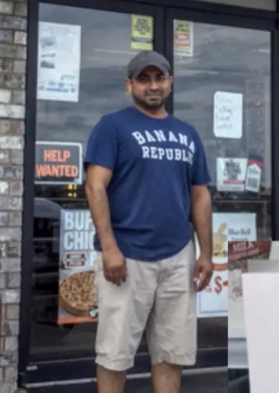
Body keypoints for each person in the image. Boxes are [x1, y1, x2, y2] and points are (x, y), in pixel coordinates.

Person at [83, 50, 214, 393]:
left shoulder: (187, 134)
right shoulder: (112, 126)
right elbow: (95, 186)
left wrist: (205, 253)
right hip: (127, 257)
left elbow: (200, 196)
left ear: (170, 82)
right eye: (144, 79)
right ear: (130, 85)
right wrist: (109, 248)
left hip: (177, 257)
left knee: (172, 353)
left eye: (160, 78)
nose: (153, 86)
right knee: (115, 353)